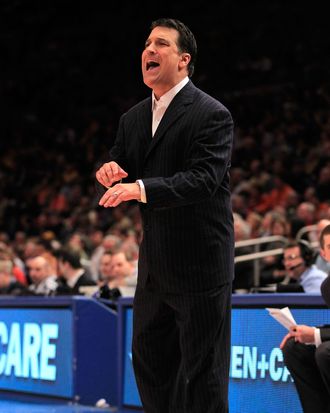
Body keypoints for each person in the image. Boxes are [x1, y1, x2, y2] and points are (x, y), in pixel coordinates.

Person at [96, 18, 234, 413]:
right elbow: (119, 165)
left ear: (183, 60)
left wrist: (139, 189)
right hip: (155, 266)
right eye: (146, 44)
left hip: (201, 266)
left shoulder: (212, 114)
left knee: (203, 375)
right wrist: (107, 172)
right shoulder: (133, 118)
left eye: (161, 44)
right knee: (150, 363)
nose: (149, 51)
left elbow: (203, 180)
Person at [280, 224, 330, 413]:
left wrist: (317, 334)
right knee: (294, 347)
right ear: (324, 255)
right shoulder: (328, 287)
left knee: (325, 351)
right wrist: (304, 333)